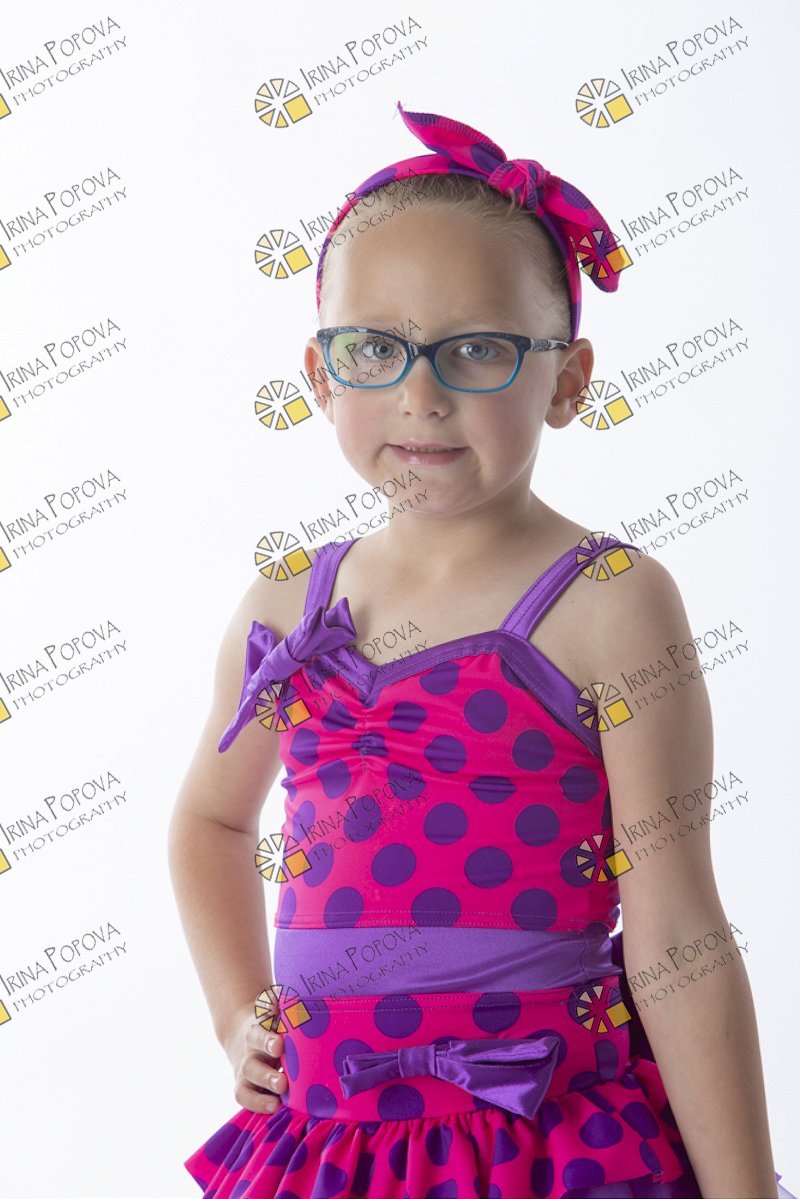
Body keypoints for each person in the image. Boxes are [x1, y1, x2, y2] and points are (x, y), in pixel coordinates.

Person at [172, 100, 793, 1198]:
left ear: (567, 378)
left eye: (477, 351)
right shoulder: (286, 601)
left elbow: (675, 928)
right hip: (331, 1140)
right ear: (319, 374)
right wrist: (237, 1015)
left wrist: (745, 1187)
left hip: (545, 1137)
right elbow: (211, 820)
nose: (421, 396)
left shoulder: (608, 602)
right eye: (376, 349)